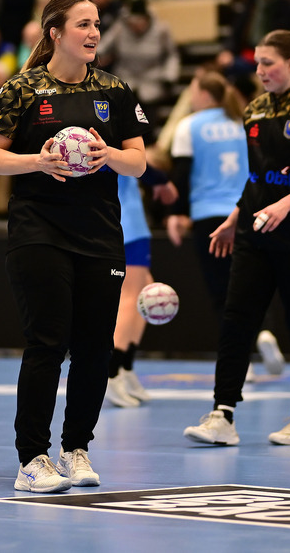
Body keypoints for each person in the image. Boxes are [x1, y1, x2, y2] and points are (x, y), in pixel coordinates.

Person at [0, 0, 150, 493]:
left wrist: (107, 153)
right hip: (39, 232)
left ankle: (77, 449)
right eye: (83, 24)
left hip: (99, 234)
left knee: (95, 347)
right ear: (56, 33)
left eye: (97, 23)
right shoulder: (23, 89)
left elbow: (139, 162)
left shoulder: (115, 90)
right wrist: (40, 160)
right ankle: (32, 458)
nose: (94, 32)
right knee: (48, 342)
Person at [183, 30, 290, 448]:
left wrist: (284, 206)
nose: (260, 70)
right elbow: (256, 180)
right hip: (255, 233)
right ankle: (223, 414)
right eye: (257, 63)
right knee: (236, 321)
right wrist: (236, 217)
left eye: (268, 62)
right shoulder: (253, 112)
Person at [166, 69, 286, 383]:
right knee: (255, 282)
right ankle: (264, 333)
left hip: (209, 216)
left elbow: (181, 175)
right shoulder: (243, 121)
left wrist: (176, 214)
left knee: (223, 293)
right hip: (247, 213)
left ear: (205, 95)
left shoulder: (189, 126)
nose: (190, 98)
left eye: (193, 91)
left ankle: (241, 361)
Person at [105, 166, 178, 408]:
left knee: (145, 287)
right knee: (131, 295)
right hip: (127, 221)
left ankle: (125, 367)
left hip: (119, 219)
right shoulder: (114, 132)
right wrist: (162, 181)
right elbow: (141, 163)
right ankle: (111, 373)